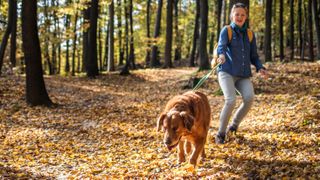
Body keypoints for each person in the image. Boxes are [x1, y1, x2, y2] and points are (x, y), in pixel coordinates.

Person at [211, 3, 268, 144]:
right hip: (226, 71)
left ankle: (234, 126)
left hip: (243, 74)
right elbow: (222, 46)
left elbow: (253, 56)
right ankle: (221, 134)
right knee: (230, 100)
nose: (240, 17)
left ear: (246, 17)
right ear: (232, 15)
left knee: (249, 98)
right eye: (237, 14)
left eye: (243, 15)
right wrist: (221, 56)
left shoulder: (249, 34)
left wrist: (260, 67)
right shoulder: (227, 30)